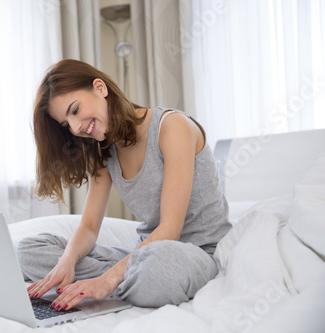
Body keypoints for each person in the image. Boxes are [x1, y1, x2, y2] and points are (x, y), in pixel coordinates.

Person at [17, 59, 232, 311]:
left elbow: (170, 229)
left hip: (194, 255)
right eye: (67, 125)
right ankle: (121, 282)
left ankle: (113, 282)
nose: (75, 128)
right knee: (30, 251)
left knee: (157, 269)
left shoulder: (173, 127)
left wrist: (107, 279)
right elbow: (88, 226)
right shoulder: (105, 151)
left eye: (75, 110)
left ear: (100, 88)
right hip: (143, 255)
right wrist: (67, 261)